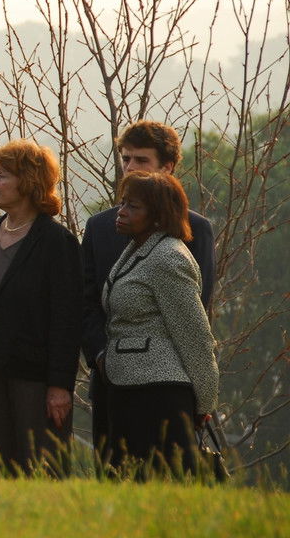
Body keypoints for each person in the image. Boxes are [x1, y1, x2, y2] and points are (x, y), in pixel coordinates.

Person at [80, 120, 216, 459]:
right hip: (113, 380)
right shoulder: (107, 228)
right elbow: (88, 300)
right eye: (125, 159)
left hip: (159, 388)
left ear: (167, 167)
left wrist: (205, 400)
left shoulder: (183, 240)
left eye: (140, 160)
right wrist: (101, 355)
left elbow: (193, 324)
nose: (129, 168)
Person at [0, 139, 82, 473]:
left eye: (2, 176)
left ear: (28, 182)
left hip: (35, 381)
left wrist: (59, 386)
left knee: (37, 470)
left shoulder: (57, 243)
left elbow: (66, 320)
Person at [101, 171, 219, 476]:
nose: (121, 211)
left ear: (158, 216)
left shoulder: (169, 258)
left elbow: (195, 335)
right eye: (122, 203)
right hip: (128, 387)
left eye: (133, 206)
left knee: (160, 484)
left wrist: (204, 403)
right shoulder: (138, 250)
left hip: (160, 395)